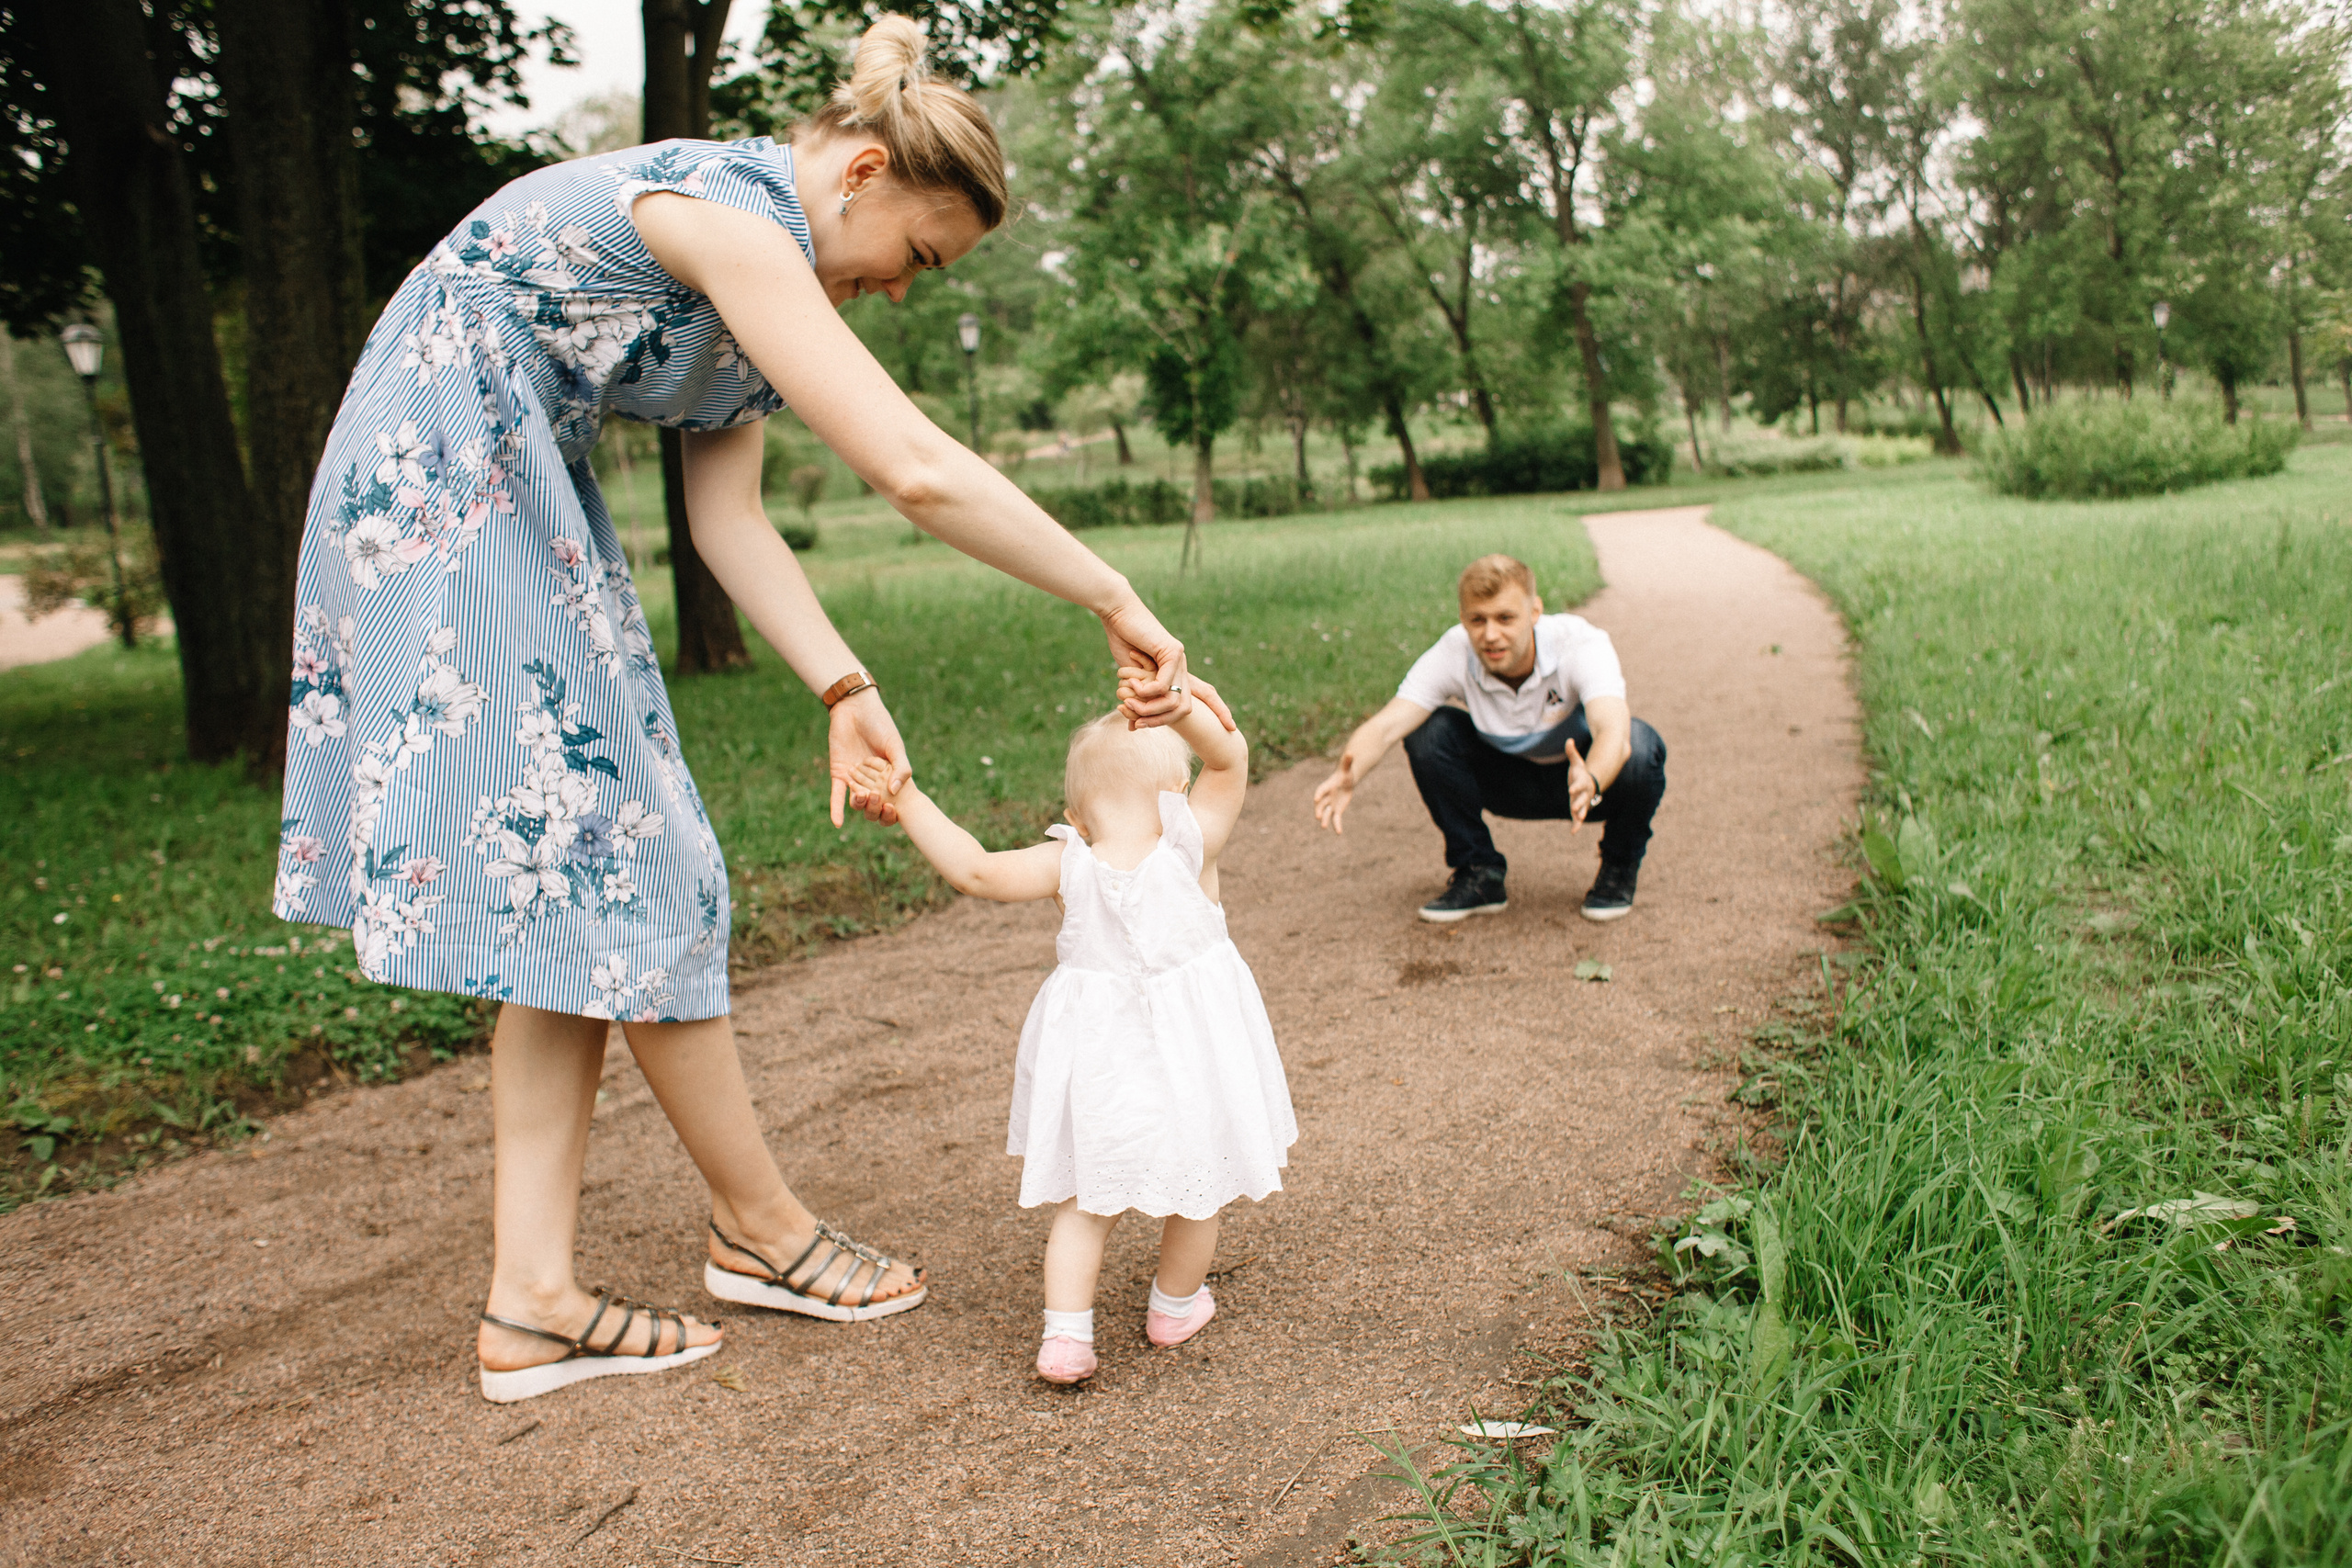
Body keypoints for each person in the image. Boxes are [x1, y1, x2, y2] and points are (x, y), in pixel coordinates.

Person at [272, 16, 1228, 1404]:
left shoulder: (762, 303)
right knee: (643, 867)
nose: (902, 289)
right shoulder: (724, 216)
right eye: (920, 254)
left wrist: (845, 684)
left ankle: (533, 1298)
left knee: (582, 894)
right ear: (859, 177)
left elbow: (732, 521)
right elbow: (912, 465)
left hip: (504, 483)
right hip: (451, 476)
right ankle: (763, 1229)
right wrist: (1112, 591)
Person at [850, 675, 1295, 1385]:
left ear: (1074, 815)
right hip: (1194, 1054)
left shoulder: (1068, 861)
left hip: (1102, 1062)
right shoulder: (1190, 845)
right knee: (1200, 1184)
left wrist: (907, 798)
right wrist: (1182, 706)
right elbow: (1232, 758)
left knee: (1088, 1200)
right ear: (1176, 794)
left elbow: (976, 869)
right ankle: (1174, 1305)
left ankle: (1066, 1336)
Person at [1312, 554, 1667, 924]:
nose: (1490, 634)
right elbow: (1387, 724)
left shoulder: (1579, 643)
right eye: (1477, 620)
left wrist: (1591, 777)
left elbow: (1613, 730)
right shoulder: (1454, 650)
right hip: (1505, 783)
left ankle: (1618, 870)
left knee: (1641, 746)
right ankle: (1479, 873)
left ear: (1534, 612)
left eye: (1505, 618)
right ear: (1463, 619)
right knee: (1429, 731)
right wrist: (1347, 772)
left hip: (1585, 784)